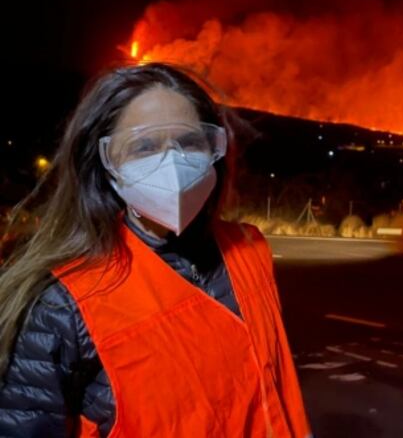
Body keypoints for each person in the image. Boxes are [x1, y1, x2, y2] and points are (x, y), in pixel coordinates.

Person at [0, 63, 311, 437]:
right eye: (144, 147)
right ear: (107, 166)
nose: (172, 161)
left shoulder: (248, 249)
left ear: (214, 150)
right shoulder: (63, 305)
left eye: (189, 142)